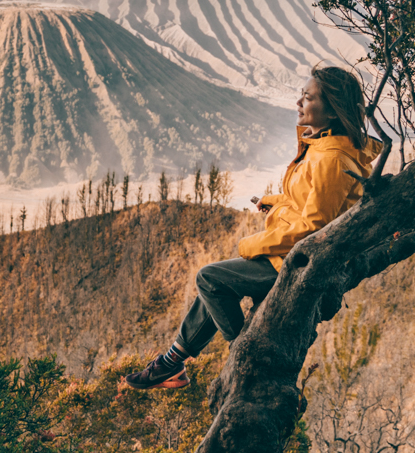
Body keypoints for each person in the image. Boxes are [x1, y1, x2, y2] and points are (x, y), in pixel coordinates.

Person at [123, 63, 382, 391]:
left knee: (210, 279)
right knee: (213, 284)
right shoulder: (323, 147)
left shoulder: (330, 158)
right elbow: (308, 201)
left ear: (331, 111)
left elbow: (315, 226)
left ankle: (243, 346)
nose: (299, 104)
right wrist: (273, 201)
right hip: (293, 255)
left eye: (307, 98)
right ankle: (172, 363)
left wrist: (254, 245)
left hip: (300, 264)